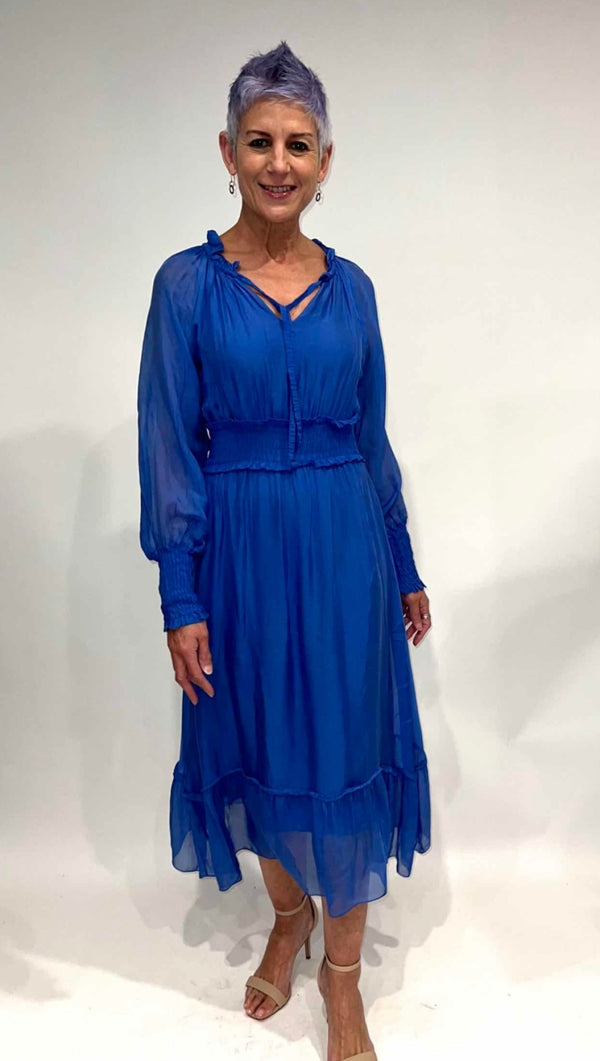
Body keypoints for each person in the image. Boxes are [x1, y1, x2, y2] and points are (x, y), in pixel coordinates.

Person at [137, 39, 431, 1061]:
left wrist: (402, 561)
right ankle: (289, 914)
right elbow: (169, 447)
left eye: (298, 144)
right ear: (227, 151)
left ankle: (342, 981)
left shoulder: (354, 290)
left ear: (325, 161)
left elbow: (371, 434)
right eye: (258, 141)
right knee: (256, 748)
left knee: (343, 750)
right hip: (242, 556)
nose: (278, 162)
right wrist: (181, 594)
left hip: (346, 549)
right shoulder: (185, 286)